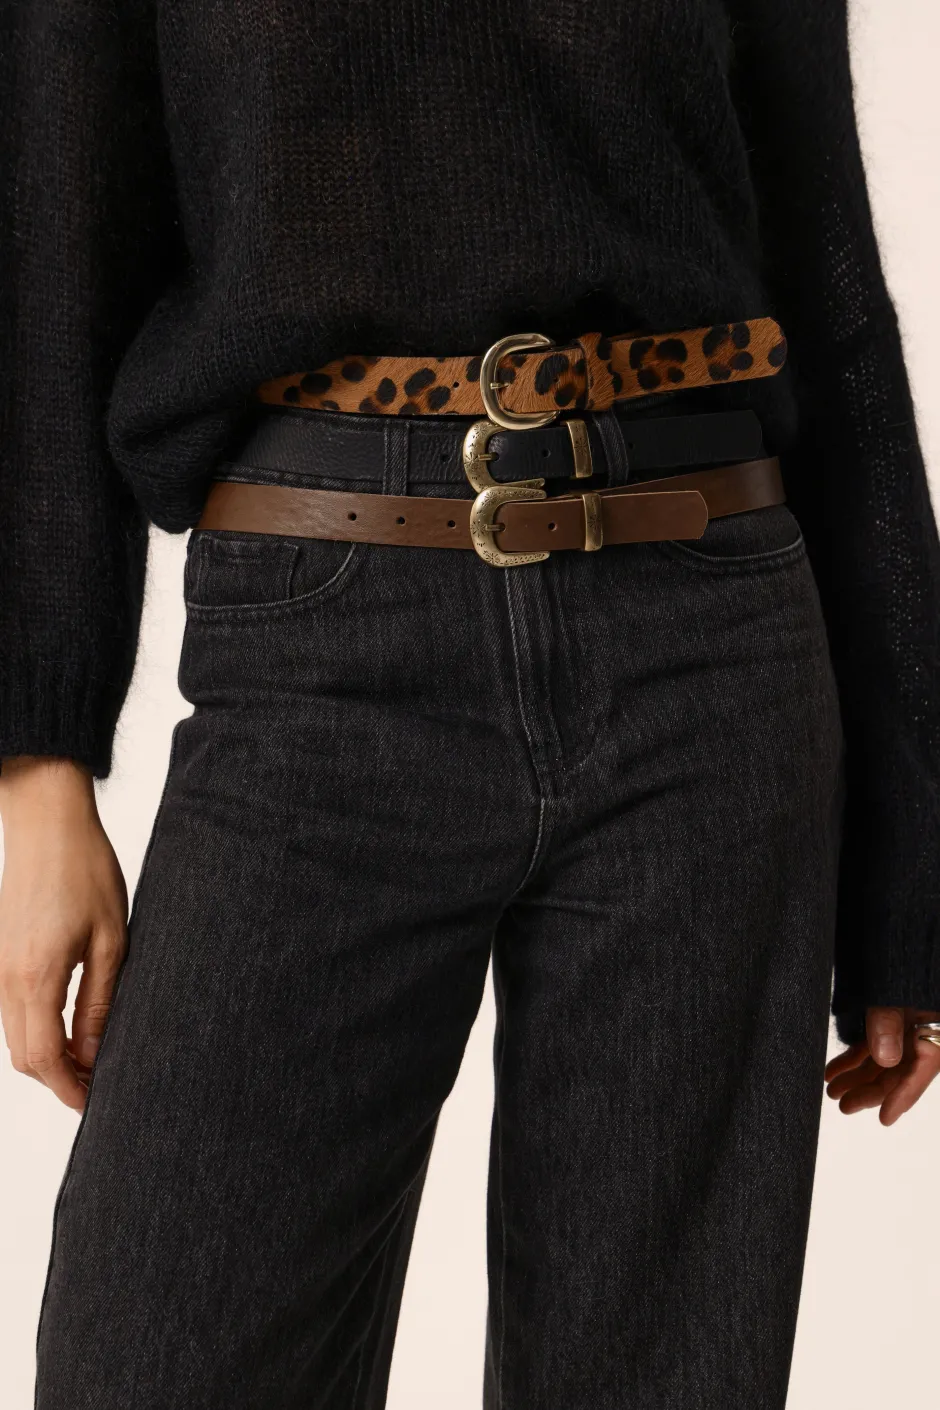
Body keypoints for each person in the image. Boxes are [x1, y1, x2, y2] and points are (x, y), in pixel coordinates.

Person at [1, 2, 938, 1407]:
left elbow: (830, 286)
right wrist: (36, 769)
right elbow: (46, 260)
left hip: (709, 643)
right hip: (316, 653)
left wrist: (911, 860)